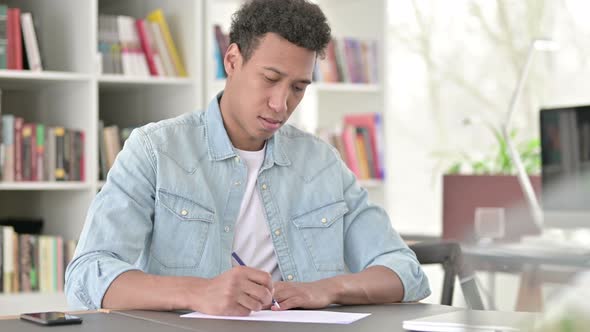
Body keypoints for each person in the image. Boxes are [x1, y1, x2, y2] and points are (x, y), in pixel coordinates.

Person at [65, 0, 430, 316]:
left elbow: (404, 271)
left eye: (298, 88)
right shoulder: (155, 151)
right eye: (270, 78)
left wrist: (326, 289)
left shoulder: (321, 163)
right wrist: (198, 292)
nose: (281, 103)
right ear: (233, 61)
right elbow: (87, 274)